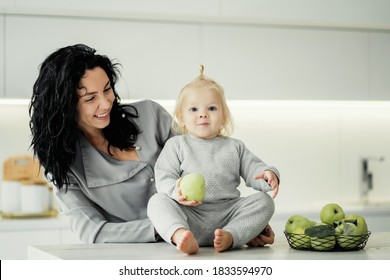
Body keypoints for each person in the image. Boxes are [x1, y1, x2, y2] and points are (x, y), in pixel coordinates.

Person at [29, 44, 276, 246]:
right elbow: (93, 232)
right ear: (64, 105)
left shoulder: (149, 115)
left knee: (263, 203)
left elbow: (205, 156)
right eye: (90, 98)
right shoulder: (62, 163)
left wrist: (241, 225)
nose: (105, 104)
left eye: (107, 90)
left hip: (204, 239)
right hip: (146, 253)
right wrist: (166, 229)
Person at [147, 66, 280, 254]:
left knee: (264, 202)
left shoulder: (235, 146)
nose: (203, 114)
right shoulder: (176, 145)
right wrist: (175, 192)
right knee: (157, 202)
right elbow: (164, 176)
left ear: (224, 117)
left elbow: (254, 168)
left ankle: (231, 236)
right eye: (193, 109)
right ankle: (180, 235)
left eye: (212, 108)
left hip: (228, 214)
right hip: (190, 215)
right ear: (181, 118)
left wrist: (268, 174)